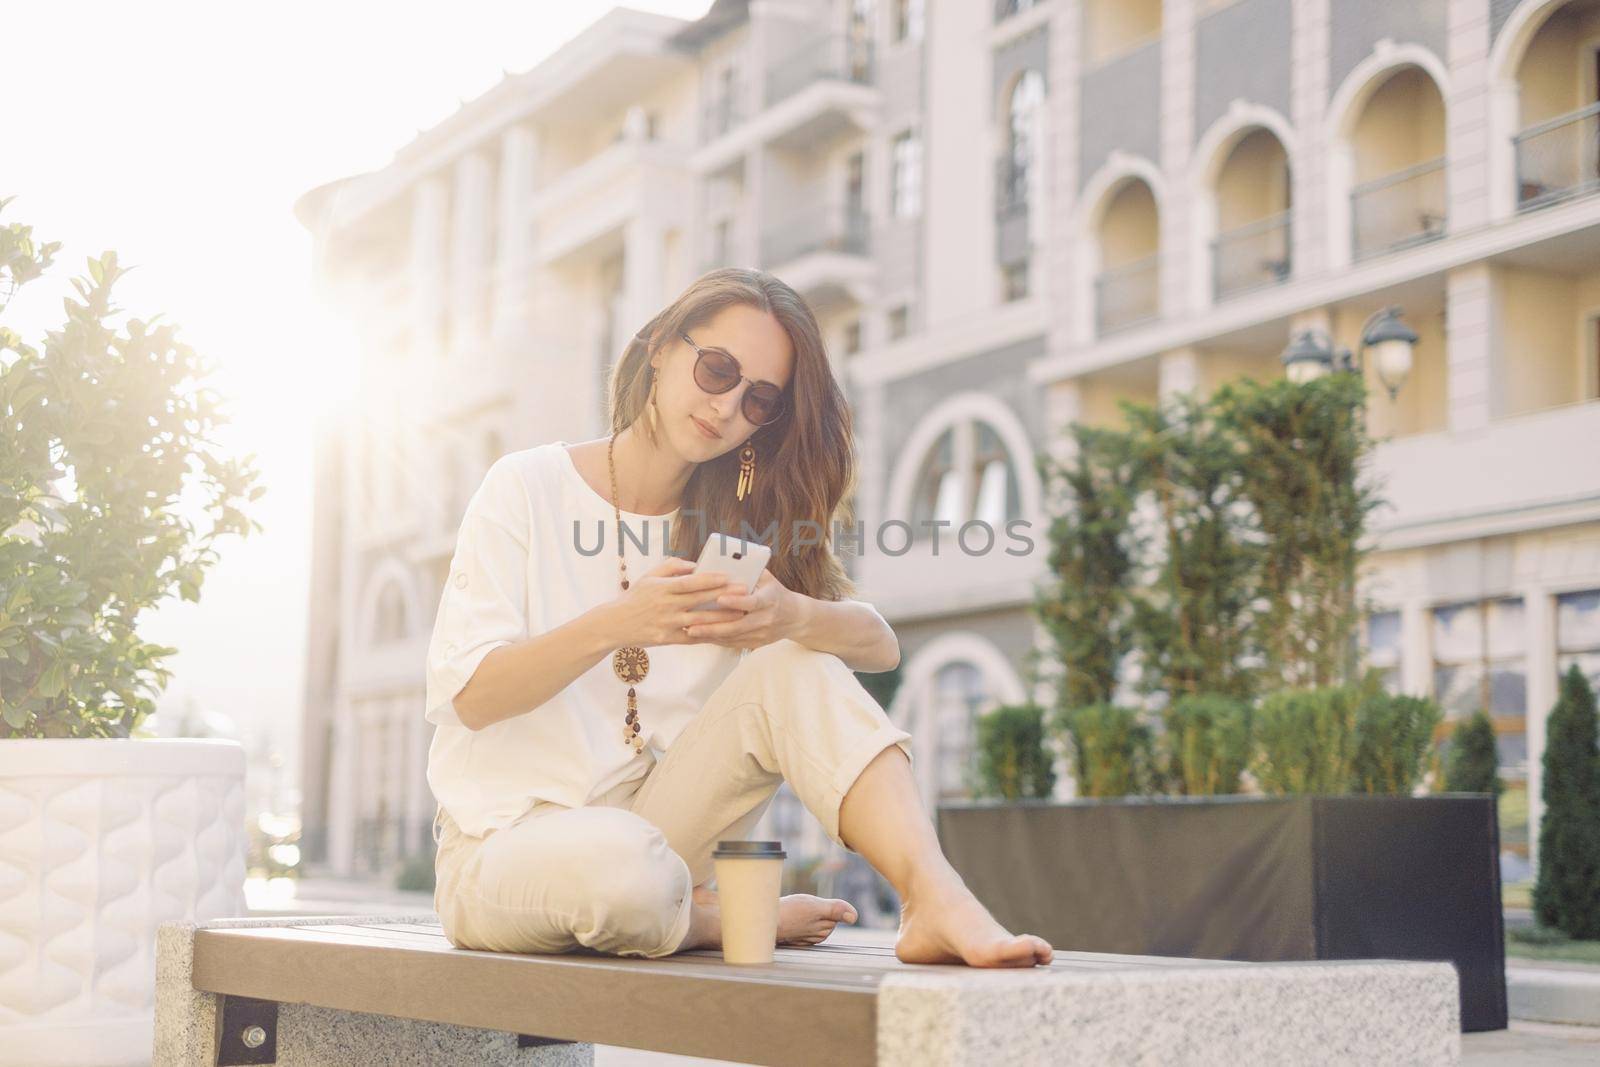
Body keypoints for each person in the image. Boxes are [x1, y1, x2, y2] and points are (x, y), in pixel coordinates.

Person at [424, 267, 1053, 967]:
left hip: (654, 835)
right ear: (661, 348)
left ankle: (936, 898)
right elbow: (470, 696)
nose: (726, 406)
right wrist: (618, 621)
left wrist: (787, 613)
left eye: (758, 399)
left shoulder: (734, 534)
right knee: (624, 866)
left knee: (794, 660)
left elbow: (878, 643)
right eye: (716, 369)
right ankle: (710, 918)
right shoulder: (526, 487)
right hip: (501, 850)